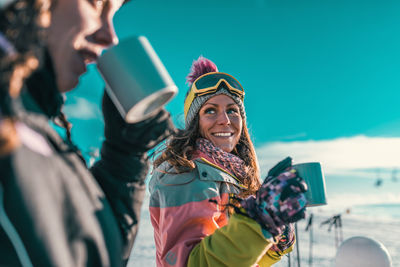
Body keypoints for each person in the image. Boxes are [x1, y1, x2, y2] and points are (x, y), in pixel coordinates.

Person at [0, 0, 174, 266]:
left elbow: (90, 256)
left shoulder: (38, 134)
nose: (109, 36)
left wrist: (124, 157)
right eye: (96, 5)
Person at [149, 56, 308, 266]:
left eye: (232, 110)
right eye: (210, 110)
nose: (224, 120)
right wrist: (259, 220)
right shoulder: (185, 173)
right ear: (194, 123)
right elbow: (192, 262)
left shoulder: (233, 173)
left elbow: (238, 260)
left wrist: (272, 244)